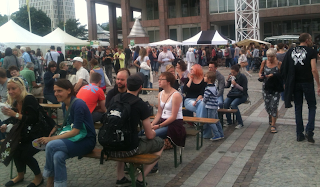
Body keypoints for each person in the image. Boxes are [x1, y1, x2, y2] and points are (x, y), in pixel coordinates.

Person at [38, 79, 96, 187]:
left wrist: (51, 139)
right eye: (55, 91)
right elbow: (70, 123)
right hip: (77, 138)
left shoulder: (78, 104)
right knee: (57, 156)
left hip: (87, 140)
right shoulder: (64, 105)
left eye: (59, 91)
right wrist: (57, 126)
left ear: (69, 90)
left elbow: (76, 130)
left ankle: (49, 181)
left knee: (51, 145)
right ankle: (60, 185)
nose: (56, 94)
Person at [110, 74, 164, 187]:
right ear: (140, 87)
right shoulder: (140, 104)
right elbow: (149, 135)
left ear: (126, 85)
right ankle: (140, 179)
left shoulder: (115, 98)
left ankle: (120, 177)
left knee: (121, 137)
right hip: (130, 148)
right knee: (161, 143)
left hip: (111, 144)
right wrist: (154, 132)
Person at [0, 78, 44, 187]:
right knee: (14, 148)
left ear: (21, 88)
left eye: (13, 88)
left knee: (25, 153)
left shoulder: (29, 99)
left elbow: (33, 119)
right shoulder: (15, 102)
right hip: (26, 134)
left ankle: (39, 177)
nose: (10, 92)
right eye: (9, 89)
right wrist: (7, 125)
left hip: (40, 133)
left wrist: (14, 114)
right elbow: (17, 121)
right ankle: (20, 175)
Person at [281, 33, 320, 143]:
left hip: (295, 83)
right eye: (311, 39)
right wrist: (319, 84)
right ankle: (309, 130)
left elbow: (284, 68)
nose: (311, 41)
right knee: (312, 106)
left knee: (298, 107)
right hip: (307, 82)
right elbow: (313, 69)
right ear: (307, 40)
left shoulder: (290, 51)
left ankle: (299, 134)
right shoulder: (311, 51)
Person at [259, 48, 282, 133]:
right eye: (268, 56)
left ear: (275, 56)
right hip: (266, 87)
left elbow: (282, 75)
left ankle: (273, 125)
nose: (269, 58)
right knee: (267, 105)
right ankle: (271, 115)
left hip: (275, 87)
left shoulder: (279, 64)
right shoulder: (264, 62)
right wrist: (261, 76)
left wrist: (274, 75)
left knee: (274, 105)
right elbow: (260, 72)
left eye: (271, 57)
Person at [203, 71, 224, 140]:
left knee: (211, 121)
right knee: (216, 121)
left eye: (205, 76)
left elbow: (205, 98)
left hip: (210, 106)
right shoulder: (214, 87)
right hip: (215, 106)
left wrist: (203, 100)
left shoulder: (208, 89)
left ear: (209, 79)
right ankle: (221, 134)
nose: (204, 77)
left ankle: (216, 135)